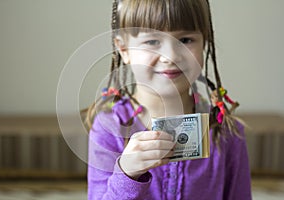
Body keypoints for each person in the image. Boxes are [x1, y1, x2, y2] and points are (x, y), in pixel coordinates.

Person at [85, 0, 252, 199]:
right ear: (124, 49)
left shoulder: (225, 132)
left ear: (204, 42)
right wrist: (127, 174)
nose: (170, 56)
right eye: (152, 42)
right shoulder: (108, 128)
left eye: (186, 40)